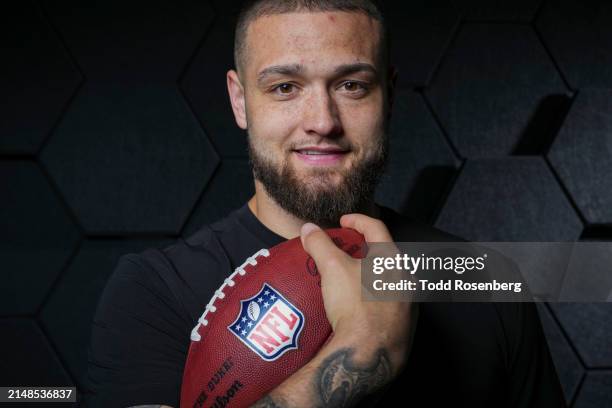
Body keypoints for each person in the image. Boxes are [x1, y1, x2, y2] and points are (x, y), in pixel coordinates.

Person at [85, 1, 566, 407]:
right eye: (284, 88)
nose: (322, 121)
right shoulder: (154, 293)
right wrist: (363, 349)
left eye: (351, 85)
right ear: (239, 101)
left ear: (390, 97)